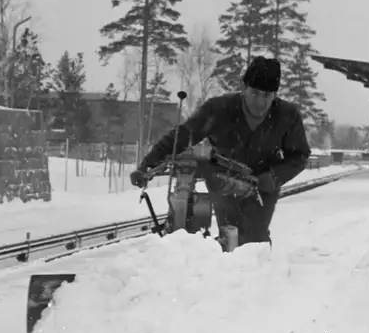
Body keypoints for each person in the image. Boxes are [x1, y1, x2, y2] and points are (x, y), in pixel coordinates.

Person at [130, 56, 311, 246]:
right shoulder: (219, 109)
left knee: (255, 238)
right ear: (245, 89)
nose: (260, 102)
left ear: (275, 95)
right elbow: (182, 136)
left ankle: (257, 266)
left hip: (263, 185)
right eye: (255, 93)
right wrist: (147, 166)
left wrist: (274, 177)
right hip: (224, 180)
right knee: (230, 232)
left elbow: (299, 155)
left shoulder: (287, 115)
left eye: (266, 96)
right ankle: (227, 263)